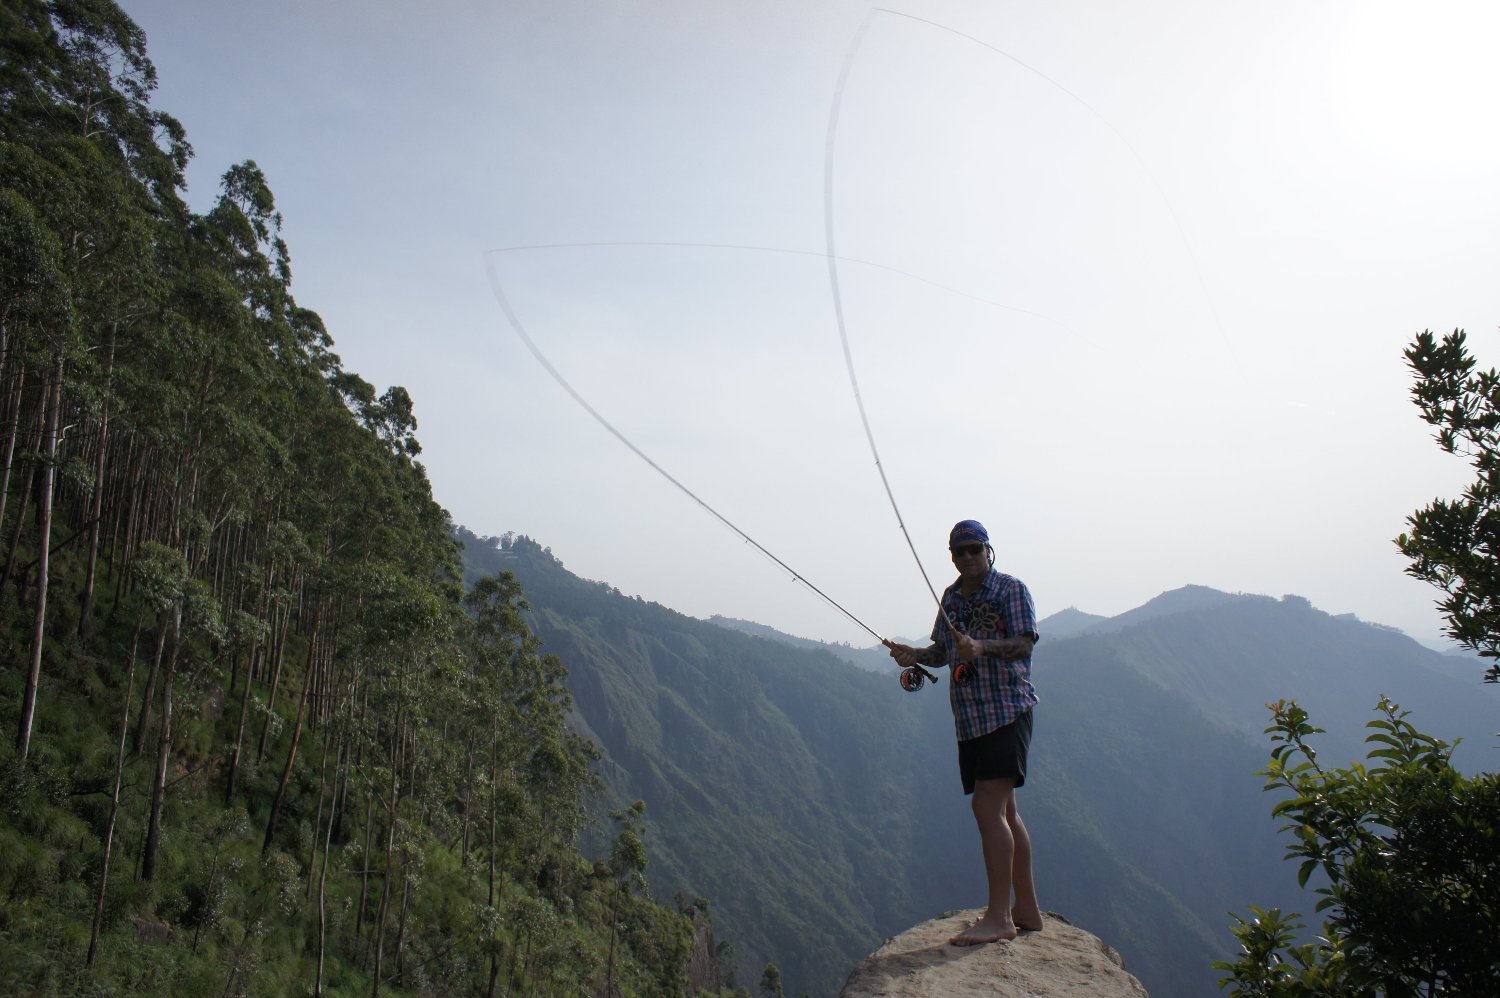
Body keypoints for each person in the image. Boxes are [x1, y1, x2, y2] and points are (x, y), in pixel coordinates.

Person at [886, 519, 1042, 945]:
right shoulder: (952, 598)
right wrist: (912, 653)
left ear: (988, 550)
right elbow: (940, 651)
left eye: (975, 548)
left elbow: (1026, 644)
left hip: (1007, 711)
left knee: (987, 810)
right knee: (1007, 813)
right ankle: (1025, 909)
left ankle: (998, 918)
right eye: (961, 551)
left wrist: (983, 647)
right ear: (952, 557)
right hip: (971, 718)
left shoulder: (1011, 589)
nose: (969, 556)